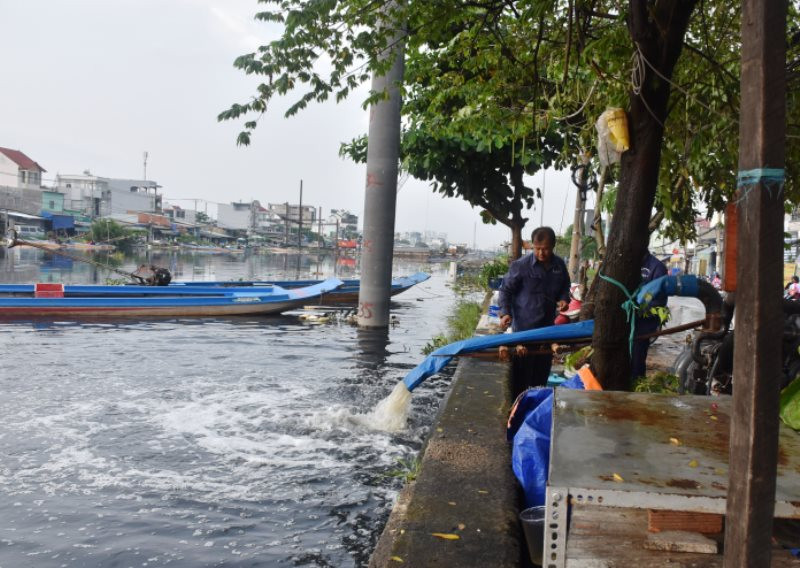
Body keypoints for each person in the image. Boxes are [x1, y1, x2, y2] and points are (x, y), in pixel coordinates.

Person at [498, 226, 570, 391]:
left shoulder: (559, 265)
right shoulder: (521, 266)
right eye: (537, 249)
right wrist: (505, 313)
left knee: (540, 378)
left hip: (546, 331)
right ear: (532, 246)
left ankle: (535, 408)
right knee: (521, 379)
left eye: (545, 249)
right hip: (524, 331)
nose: (541, 253)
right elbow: (505, 290)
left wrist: (564, 299)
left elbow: (565, 285)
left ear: (552, 246)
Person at [630, 251, 669, 380]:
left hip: (644, 323)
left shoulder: (657, 267)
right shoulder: (628, 263)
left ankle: (637, 384)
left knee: (637, 358)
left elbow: (658, 299)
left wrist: (639, 308)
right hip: (625, 320)